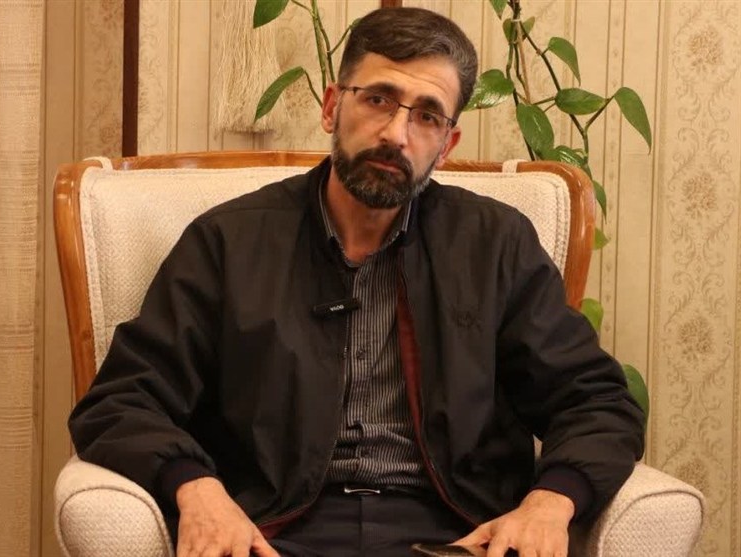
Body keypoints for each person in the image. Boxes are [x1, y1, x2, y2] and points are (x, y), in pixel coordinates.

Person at [68, 7, 645, 557]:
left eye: (427, 115)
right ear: (331, 107)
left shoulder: (495, 244)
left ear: (446, 145)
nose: (396, 133)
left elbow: (594, 401)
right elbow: (122, 400)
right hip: (271, 530)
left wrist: (551, 502)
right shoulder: (229, 241)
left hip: (457, 533)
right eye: (377, 99)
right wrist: (196, 489)